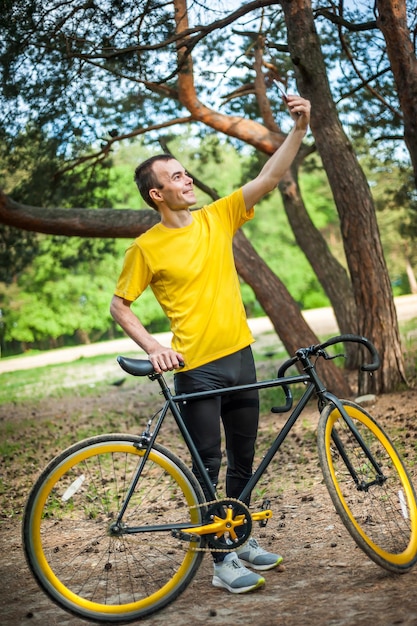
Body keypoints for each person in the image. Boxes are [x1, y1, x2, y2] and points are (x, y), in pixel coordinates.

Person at [110, 94, 311, 594]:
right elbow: (119, 306)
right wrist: (154, 346)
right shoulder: (145, 248)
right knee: (209, 464)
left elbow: (268, 177)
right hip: (197, 369)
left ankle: (240, 539)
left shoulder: (216, 217)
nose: (187, 180)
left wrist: (300, 128)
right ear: (157, 194)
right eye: (175, 177)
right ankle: (221, 563)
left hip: (240, 357)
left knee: (245, 459)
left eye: (185, 173)